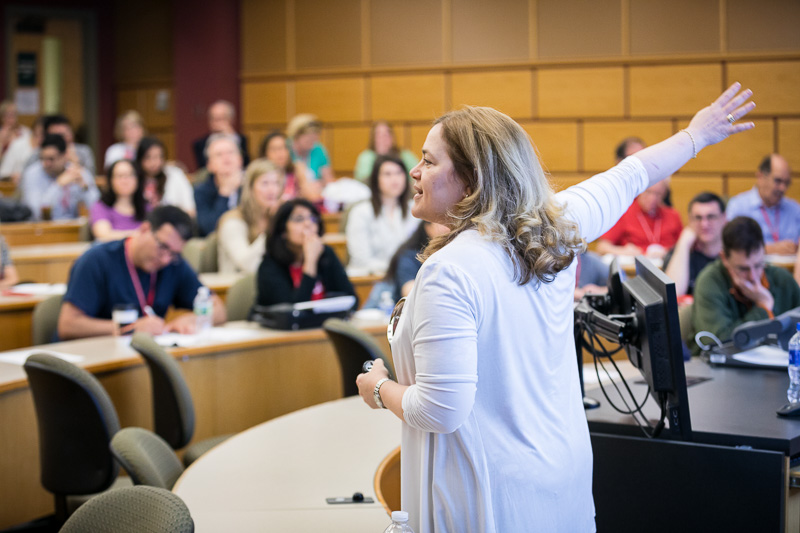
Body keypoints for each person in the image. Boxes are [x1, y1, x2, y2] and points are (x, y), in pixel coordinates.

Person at [355, 83, 755, 532]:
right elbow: (633, 174)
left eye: (429, 161)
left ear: (473, 179)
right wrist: (697, 135)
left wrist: (377, 387)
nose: (414, 172)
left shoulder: (450, 269)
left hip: (488, 496)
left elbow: (441, 410)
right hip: (560, 474)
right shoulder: (556, 223)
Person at [57, 205, 226, 340]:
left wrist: (193, 320)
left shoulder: (174, 265)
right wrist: (129, 329)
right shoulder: (97, 260)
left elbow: (219, 309)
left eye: (174, 253)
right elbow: (68, 325)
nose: (166, 259)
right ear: (145, 229)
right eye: (163, 247)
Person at [692, 216, 800, 353]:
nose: (753, 276)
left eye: (758, 265)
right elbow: (715, 343)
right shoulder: (709, 282)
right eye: (743, 269)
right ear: (724, 258)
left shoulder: (783, 280)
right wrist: (763, 308)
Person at [256, 198, 356, 306]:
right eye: (299, 219)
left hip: (321, 322)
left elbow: (351, 300)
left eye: (313, 218)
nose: (308, 224)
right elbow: (291, 312)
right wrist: (310, 261)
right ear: (283, 230)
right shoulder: (270, 266)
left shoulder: (326, 254)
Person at [345, 155, 418, 274]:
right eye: (387, 174)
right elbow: (361, 260)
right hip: (368, 279)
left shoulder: (415, 210)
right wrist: (400, 268)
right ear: (376, 179)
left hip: (405, 276)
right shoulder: (361, 212)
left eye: (399, 173)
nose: (394, 179)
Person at [217, 159, 285, 274]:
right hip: (237, 286)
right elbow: (248, 265)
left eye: (276, 183)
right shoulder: (232, 222)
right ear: (250, 188)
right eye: (265, 183)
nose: (272, 190)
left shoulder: (276, 216)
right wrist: (272, 228)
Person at [364, 220, 449, 308]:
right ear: (428, 228)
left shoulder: (448, 254)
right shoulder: (409, 255)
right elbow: (409, 293)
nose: (449, 228)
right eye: (444, 224)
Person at [725, 154, 800, 254]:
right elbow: (731, 245)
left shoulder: (795, 209)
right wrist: (767, 249)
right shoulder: (738, 206)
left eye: (787, 183)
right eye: (778, 181)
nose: (783, 188)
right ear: (760, 177)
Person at [594, 178, 683, 259]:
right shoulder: (624, 213)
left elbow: (684, 248)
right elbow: (602, 247)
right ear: (640, 190)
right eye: (648, 192)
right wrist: (623, 251)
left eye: (658, 194)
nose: (653, 198)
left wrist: (667, 253)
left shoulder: (673, 215)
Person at [19, 134, 99, 220]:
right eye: (43, 158)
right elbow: (36, 212)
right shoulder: (32, 173)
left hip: (72, 226)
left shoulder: (76, 171)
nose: (46, 163)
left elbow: (97, 208)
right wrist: (57, 185)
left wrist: (85, 187)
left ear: (65, 156)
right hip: (42, 228)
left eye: (51, 159)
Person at [664, 192, 726, 297]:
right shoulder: (679, 253)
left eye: (711, 217)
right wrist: (683, 243)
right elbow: (673, 294)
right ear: (690, 220)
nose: (704, 224)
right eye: (698, 218)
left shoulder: (734, 254)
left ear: (724, 218)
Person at [194, 134, 244, 237]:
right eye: (219, 154)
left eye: (231, 152)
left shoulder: (253, 185)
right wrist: (224, 193)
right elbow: (210, 228)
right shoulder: (201, 191)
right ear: (209, 165)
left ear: (240, 159)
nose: (226, 158)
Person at [135, 137, 196, 217]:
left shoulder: (174, 174)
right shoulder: (134, 179)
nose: (153, 163)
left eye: (157, 157)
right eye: (148, 157)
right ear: (140, 159)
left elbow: (190, 208)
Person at [90, 159, 148, 242]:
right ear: (110, 181)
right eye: (119, 176)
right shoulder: (101, 206)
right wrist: (138, 234)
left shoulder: (146, 206)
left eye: (130, 175)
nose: (125, 180)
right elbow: (103, 235)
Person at [258, 130, 316, 201]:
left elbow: (313, 198)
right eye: (274, 149)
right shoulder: (260, 176)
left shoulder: (295, 172)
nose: (280, 153)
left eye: (284, 148)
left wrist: (303, 178)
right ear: (265, 153)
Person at [192, 100, 249, 170]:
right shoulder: (200, 143)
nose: (217, 122)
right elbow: (203, 168)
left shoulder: (240, 139)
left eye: (222, 118)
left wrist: (231, 136)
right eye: (214, 118)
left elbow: (246, 165)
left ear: (231, 119)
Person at [353, 121, 419, 182]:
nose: (383, 138)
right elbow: (362, 180)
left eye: (386, 135)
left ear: (392, 137)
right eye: (379, 135)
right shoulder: (366, 156)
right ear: (373, 138)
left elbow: (417, 175)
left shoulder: (405, 155)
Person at [286, 114, 334, 186]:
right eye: (308, 138)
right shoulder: (285, 148)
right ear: (296, 135)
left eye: (315, 139)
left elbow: (329, 180)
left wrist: (318, 184)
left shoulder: (318, 149)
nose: (313, 142)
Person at [0, 115, 43, 184]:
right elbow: (3, 173)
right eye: (39, 133)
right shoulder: (18, 144)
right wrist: (12, 177)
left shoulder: (49, 148)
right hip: (16, 188)